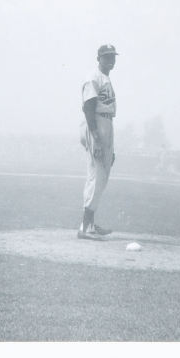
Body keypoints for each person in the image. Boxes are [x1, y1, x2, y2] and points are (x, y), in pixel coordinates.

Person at [77, 44, 118, 240]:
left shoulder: (105, 78)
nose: (110, 60)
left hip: (106, 123)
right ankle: (86, 227)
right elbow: (88, 108)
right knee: (96, 176)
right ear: (98, 58)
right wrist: (97, 139)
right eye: (106, 57)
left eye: (112, 56)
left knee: (101, 176)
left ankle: (89, 224)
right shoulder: (93, 78)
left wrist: (109, 145)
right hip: (96, 124)